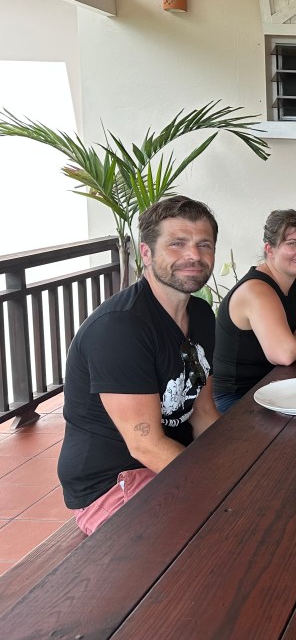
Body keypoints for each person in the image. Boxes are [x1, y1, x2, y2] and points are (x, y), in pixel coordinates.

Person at [57, 196, 223, 535]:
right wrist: (222, 484)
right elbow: (145, 444)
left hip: (172, 460)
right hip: (113, 481)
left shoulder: (202, 315)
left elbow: (204, 413)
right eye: (177, 244)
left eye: (204, 244)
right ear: (146, 253)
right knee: (215, 539)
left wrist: (238, 464)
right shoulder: (121, 328)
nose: (194, 255)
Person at [213, 210, 296, 412]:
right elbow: (285, 354)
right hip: (239, 398)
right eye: (293, 243)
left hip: (277, 382)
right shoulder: (256, 290)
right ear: (270, 249)